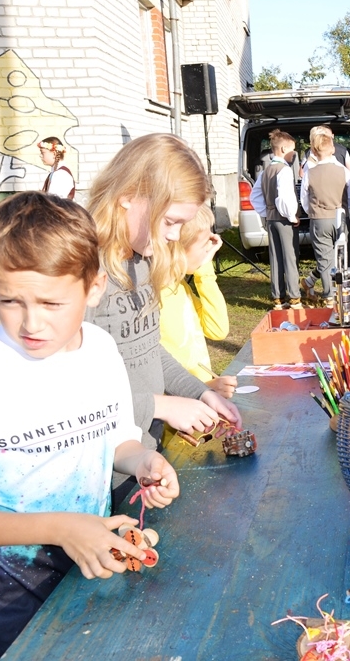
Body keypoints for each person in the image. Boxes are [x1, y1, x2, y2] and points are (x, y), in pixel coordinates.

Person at [0, 192, 179, 661]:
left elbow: (117, 438)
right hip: (8, 602)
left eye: (51, 303)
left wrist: (142, 459)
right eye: (8, 301)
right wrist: (63, 528)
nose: (30, 322)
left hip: (90, 571)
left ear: (94, 288)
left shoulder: (99, 349)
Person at [85, 133, 241, 472]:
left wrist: (200, 392)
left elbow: (149, 349)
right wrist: (160, 405)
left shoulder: (142, 262)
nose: (173, 236)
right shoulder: (82, 274)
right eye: (170, 222)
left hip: (145, 453)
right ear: (128, 196)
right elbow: (72, 390)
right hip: (102, 464)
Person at [158, 204, 236, 399]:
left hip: (201, 399)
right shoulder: (159, 296)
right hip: (181, 410)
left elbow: (217, 329)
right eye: (204, 245)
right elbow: (160, 375)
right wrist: (202, 388)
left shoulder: (180, 287)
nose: (209, 250)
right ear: (178, 248)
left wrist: (204, 272)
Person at [300, 126, 350, 306]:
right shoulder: (344, 171)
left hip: (320, 218)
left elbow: (304, 199)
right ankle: (343, 289)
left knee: (324, 258)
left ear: (314, 150)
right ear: (332, 149)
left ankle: (329, 295)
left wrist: (313, 213)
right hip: (340, 216)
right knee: (341, 257)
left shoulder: (309, 173)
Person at [249, 129, 302, 310]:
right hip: (283, 218)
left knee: (275, 257)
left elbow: (254, 196)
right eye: (292, 150)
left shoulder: (266, 171)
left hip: (271, 219)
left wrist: (266, 212)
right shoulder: (284, 171)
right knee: (290, 257)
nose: (294, 154)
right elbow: (284, 197)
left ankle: (278, 298)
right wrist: (292, 215)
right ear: (283, 149)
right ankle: (294, 298)